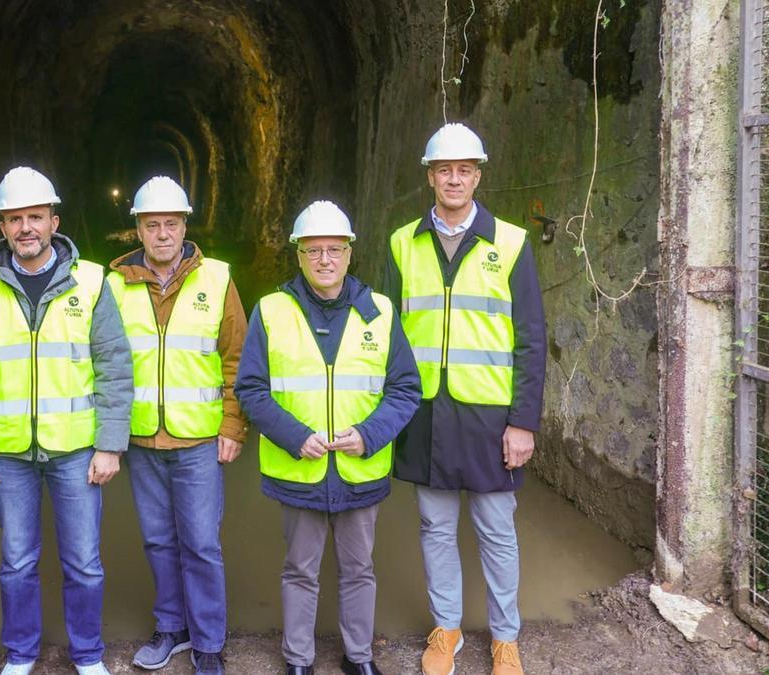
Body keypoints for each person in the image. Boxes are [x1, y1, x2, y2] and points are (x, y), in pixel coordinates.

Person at [0, 166, 133, 675]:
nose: (25, 227)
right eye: (14, 219)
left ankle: (89, 654)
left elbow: (115, 365)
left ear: (54, 220)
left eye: (35, 217)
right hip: (8, 454)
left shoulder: (92, 282)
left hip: (76, 450)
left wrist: (111, 444)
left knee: (84, 564)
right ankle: (22, 653)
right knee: (17, 563)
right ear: (2, 226)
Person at [381, 123, 546, 675]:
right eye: (444, 170)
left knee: (497, 529)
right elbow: (387, 335)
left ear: (477, 176)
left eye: (464, 170)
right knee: (434, 528)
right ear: (430, 176)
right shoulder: (403, 243)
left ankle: (505, 639)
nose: (454, 179)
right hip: (426, 413)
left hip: (489, 416)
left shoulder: (512, 243)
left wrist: (522, 422)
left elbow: (531, 338)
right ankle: (446, 628)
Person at [236, 200, 421, 675]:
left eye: (334, 250)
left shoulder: (379, 311)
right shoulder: (272, 310)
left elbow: (405, 388)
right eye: (313, 250)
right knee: (300, 570)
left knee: (359, 570)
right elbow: (250, 389)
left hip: (360, 470)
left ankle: (359, 656)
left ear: (349, 253)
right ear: (298, 254)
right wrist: (295, 436)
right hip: (300, 470)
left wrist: (369, 434)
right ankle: (299, 659)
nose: (324, 260)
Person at [106, 176, 248, 675]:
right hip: (142, 438)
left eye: (171, 223)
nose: (162, 233)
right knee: (158, 540)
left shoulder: (216, 278)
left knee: (202, 542)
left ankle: (209, 641)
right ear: (138, 231)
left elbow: (237, 359)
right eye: (152, 224)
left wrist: (232, 427)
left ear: (185, 225)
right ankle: (173, 628)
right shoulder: (113, 285)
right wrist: (109, 435)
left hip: (199, 440)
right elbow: (102, 363)